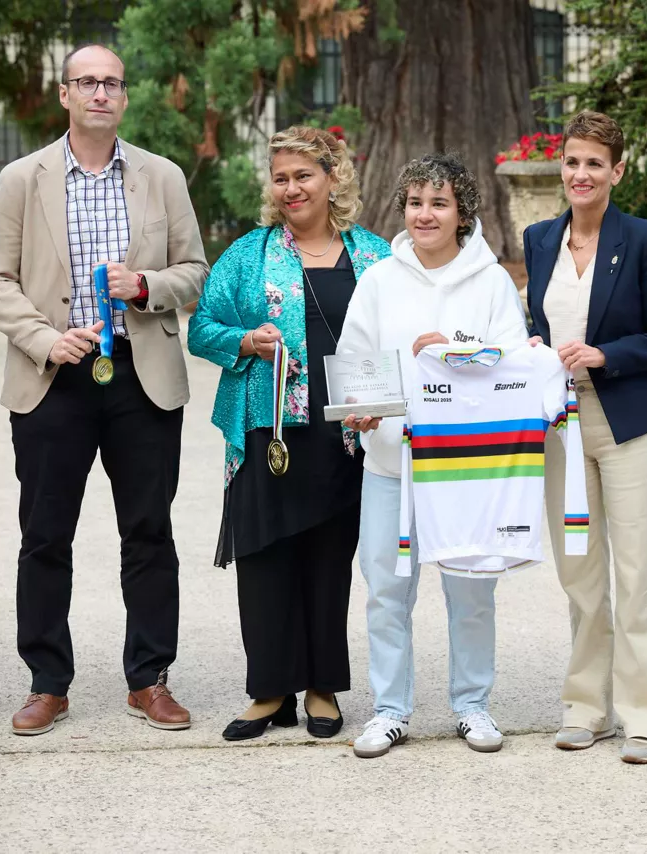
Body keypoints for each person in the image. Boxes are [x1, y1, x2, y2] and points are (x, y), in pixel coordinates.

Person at [0, 44, 208, 735]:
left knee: (148, 532)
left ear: (124, 97)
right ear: (66, 95)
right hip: (55, 378)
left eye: (111, 82)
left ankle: (150, 679)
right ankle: (48, 682)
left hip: (142, 375)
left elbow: (193, 270)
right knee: (44, 535)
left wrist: (146, 286)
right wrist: (47, 339)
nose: (100, 92)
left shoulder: (161, 177)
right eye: (87, 82)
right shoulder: (24, 179)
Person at [188, 127, 389, 741]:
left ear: (333, 179)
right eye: (280, 177)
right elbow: (201, 328)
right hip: (267, 431)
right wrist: (244, 341)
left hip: (349, 434)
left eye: (304, 175)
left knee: (330, 560)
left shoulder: (376, 255)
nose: (291, 188)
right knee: (265, 557)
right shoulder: (248, 254)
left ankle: (322, 686)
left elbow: (402, 330)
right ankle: (270, 691)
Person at [337, 152, 528, 758]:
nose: (425, 214)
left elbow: (510, 362)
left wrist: (454, 351)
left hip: (466, 471)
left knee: (471, 591)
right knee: (386, 590)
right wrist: (360, 411)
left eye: (439, 203)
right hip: (391, 466)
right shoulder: (378, 280)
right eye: (416, 202)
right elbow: (356, 361)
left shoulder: (492, 281)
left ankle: (472, 704)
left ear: (462, 212)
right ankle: (390, 710)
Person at [522, 110, 647, 765]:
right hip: (558, 427)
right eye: (572, 161)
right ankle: (586, 707)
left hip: (626, 423)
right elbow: (534, 321)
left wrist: (604, 355)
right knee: (580, 572)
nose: (581, 174)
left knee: (640, 570)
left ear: (617, 170)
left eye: (594, 162)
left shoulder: (644, 238)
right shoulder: (539, 239)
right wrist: (532, 348)